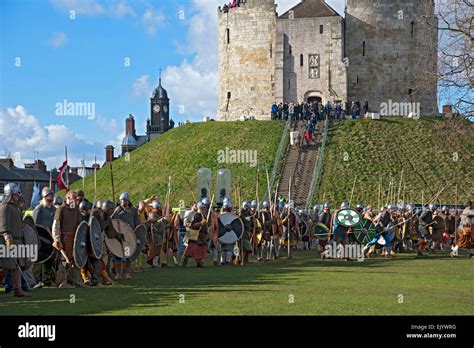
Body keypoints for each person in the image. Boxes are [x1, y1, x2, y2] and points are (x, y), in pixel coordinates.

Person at [0, 183, 31, 297]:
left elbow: (24, 203)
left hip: (17, 240)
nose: (18, 195)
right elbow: (3, 224)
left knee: (17, 265)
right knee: (6, 265)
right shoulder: (5, 206)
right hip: (8, 240)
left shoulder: (15, 206)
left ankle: (18, 289)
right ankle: (12, 287)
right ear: (10, 194)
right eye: (16, 193)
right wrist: (7, 237)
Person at [52, 190, 83, 288]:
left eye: (76, 198)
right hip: (65, 239)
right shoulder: (61, 209)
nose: (76, 200)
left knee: (76, 260)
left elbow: (79, 225)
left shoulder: (76, 209)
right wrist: (57, 239)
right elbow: (55, 226)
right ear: (68, 198)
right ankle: (62, 282)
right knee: (64, 261)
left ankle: (76, 281)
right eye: (74, 198)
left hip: (75, 238)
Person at [111, 192, 141, 279]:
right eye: (122, 200)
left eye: (125, 200)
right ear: (120, 200)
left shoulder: (133, 210)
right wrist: (115, 212)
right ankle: (118, 273)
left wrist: (138, 232)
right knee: (118, 255)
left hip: (129, 235)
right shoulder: (116, 210)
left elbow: (137, 222)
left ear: (128, 201)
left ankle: (127, 273)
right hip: (119, 235)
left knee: (128, 255)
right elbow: (111, 220)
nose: (123, 202)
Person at [32, 187, 56, 287]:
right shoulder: (39, 209)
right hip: (40, 238)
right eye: (49, 195)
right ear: (44, 196)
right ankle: (35, 280)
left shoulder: (54, 209)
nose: (51, 197)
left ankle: (47, 279)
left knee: (49, 258)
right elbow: (33, 226)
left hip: (51, 238)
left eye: (52, 195)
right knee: (38, 259)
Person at [182, 201, 210, 267]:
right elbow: (191, 225)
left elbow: (205, 227)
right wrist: (200, 223)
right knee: (190, 251)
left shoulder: (204, 216)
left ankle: (200, 263)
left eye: (204, 208)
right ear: (199, 208)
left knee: (201, 250)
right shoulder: (195, 215)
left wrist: (206, 232)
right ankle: (184, 263)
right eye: (202, 208)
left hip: (201, 236)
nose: (204, 209)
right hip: (195, 236)